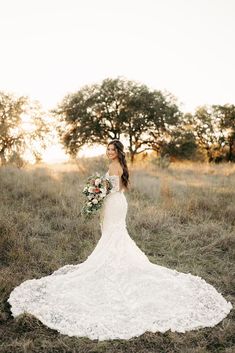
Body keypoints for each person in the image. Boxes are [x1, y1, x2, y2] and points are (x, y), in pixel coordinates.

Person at [7, 139, 232, 341]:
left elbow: (111, 189)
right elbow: (118, 187)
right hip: (117, 202)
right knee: (115, 235)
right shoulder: (120, 166)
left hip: (114, 203)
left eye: (112, 150)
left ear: (118, 152)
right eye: (107, 149)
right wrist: (97, 192)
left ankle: (113, 265)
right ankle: (118, 261)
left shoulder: (114, 167)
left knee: (113, 235)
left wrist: (95, 192)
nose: (109, 152)